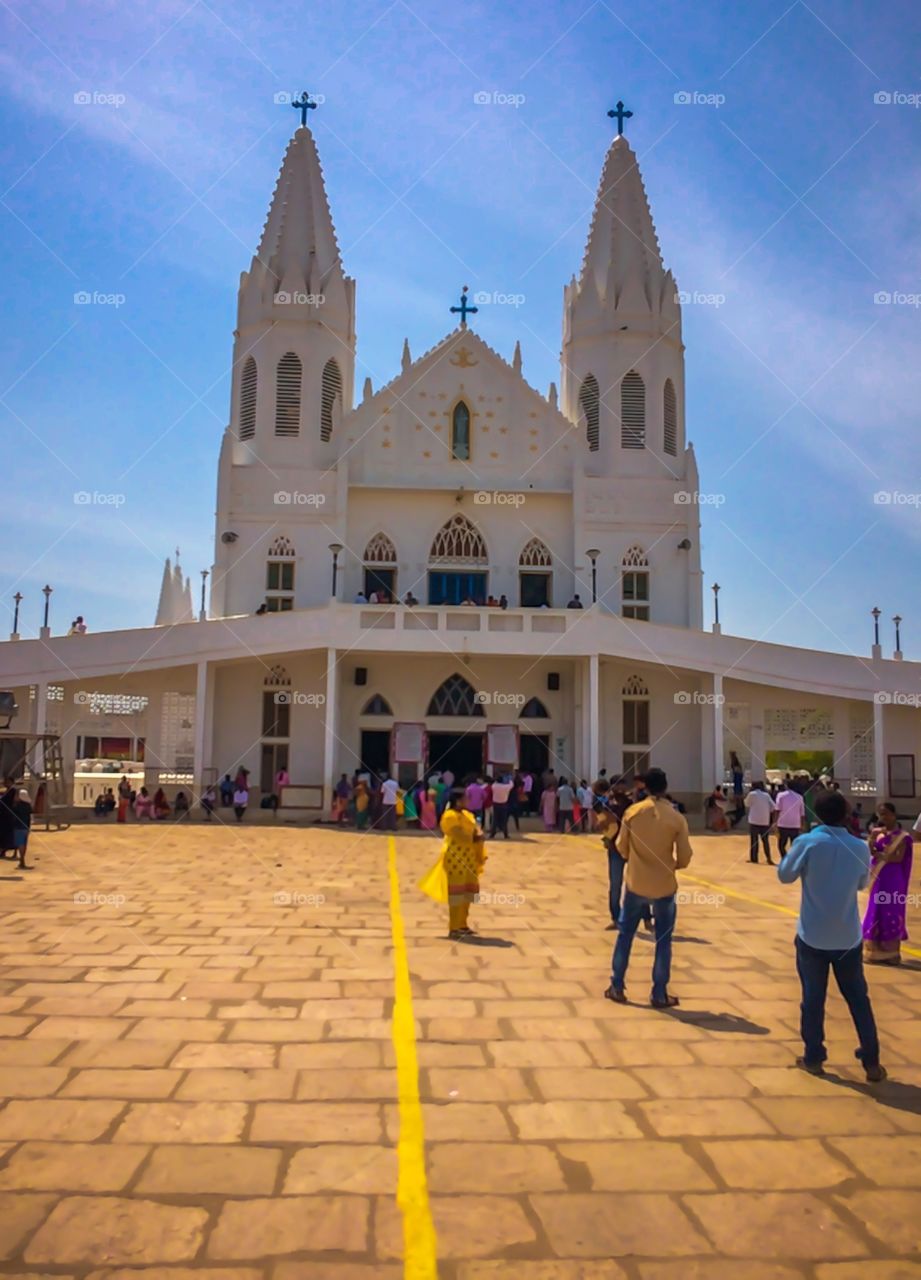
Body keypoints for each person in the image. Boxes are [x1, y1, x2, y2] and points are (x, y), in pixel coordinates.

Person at [778, 790, 885, 1081]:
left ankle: (814, 1055)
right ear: (846, 814)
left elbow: (784, 875)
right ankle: (871, 1058)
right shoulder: (860, 847)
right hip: (848, 935)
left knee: (813, 998)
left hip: (812, 934)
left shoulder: (808, 842)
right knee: (858, 999)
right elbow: (863, 883)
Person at [605, 767, 693, 1008]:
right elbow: (685, 857)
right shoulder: (676, 818)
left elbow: (621, 847)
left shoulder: (634, 812)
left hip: (636, 883)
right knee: (663, 940)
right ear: (665, 787)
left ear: (645, 786)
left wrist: (637, 858)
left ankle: (617, 985)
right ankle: (659, 992)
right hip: (664, 886)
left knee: (625, 935)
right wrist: (670, 865)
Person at [422, 788, 487, 939]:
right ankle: (454, 927)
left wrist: (478, 835)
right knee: (457, 893)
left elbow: (476, 830)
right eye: (466, 798)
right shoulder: (449, 816)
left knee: (468, 891)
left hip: (469, 857)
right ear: (458, 800)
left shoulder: (468, 815)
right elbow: (459, 835)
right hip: (455, 858)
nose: (468, 801)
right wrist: (476, 838)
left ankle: (463, 924)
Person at [862, 802, 913, 965]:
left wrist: (881, 855)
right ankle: (873, 952)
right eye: (880, 814)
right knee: (875, 909)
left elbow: (898, 858)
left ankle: (890, 953)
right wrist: (871, 838)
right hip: (879, 877)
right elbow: (872, 852)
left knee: (890, 910)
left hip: (893, 878)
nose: (883, 817)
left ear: (893, 814)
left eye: (886, 814)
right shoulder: (879, 834)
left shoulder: (903, 837)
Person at [745, 781, 777, 865]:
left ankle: (754, 858)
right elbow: (773, 807)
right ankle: (768, 858)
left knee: (754, 840)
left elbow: (746, 804)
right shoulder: (766, 795)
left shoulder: (752, 794)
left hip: (754, 820)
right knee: (765, 841)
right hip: (764, 821)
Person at [775, 779, 806, 856]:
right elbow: (802, 813)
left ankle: (785, 858)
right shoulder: (800, 797)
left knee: (781, 844)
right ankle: (792, 860)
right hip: (795, 824)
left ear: (786, 786)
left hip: (783, 823)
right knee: (794, 845)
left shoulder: (780, 795)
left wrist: (775, 822)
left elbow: (777, 809)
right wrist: (802, 825)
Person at [10, 789, 33, 869]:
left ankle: (22, 860)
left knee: (20, 844)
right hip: (26, 827)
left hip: (18, 827)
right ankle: (22, 859)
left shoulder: (16, 806)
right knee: (24, 844)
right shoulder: (28, 806)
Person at [490, 774, 512, 839]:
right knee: (504, 820)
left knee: (495, 819)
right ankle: (505, 834)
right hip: (503, 804)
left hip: (495, 804)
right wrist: (509, 779)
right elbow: (511, 784)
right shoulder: (506, 787)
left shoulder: (494, 786)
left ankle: (492, 834)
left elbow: (494, 783)